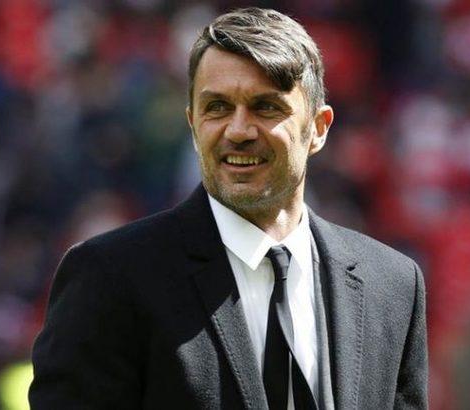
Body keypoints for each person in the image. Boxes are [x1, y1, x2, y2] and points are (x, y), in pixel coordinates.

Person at [29, 7, 427, 410]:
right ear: (192, 123)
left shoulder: (392, 287)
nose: (238, 131)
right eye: (217, 107)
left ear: (319, 128)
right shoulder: (109, 278)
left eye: (265, 107)